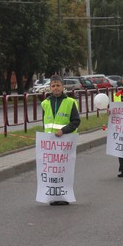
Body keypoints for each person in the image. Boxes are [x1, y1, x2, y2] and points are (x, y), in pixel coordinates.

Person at [41, 75, 81, 204]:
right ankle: (53, 195)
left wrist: (63, 131)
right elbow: (45, 123)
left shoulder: (70, 102)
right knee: (52, 171)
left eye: (58, 85)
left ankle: (64, 196)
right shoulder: (45, 103)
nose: (56, 88)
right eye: (53, 86)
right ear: (50, 87)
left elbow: (76, 121)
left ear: (63, 87)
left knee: (63, 170)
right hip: (51, 145)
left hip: (65, 142)